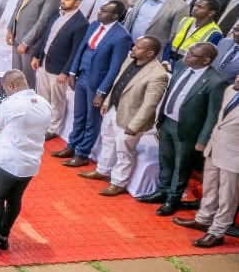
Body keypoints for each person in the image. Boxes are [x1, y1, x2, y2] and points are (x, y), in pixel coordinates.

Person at [0, 69, 52, 256]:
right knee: (14, 200)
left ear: (12, 86)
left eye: (6, 89)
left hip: (6, 161)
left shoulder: (10, 104)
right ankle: (2, 236)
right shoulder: (45, 104)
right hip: (30, 164)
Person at [141, 39, 224, 213]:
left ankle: (173, 199)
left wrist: (202, 140)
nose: (188, 56)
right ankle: (162, 191)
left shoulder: (215, 81)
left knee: (181, 166)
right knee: (165, 159)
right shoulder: (180, 65)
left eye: (194, 55)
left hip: (188, 130)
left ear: (206, 60)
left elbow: (212, 115)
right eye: (189, 52)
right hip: (167, 121)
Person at [85, 36, 169, 197]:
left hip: (131, 118)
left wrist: (135, 125)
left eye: (138, 47)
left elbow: (150, 104)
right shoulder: (130, 60)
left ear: (150, 53)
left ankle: (118, 182)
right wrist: (107, 101)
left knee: (124, 151)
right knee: (108, 140)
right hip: (113, 109)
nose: (133, 49)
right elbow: (118, 82)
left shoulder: (158, 75)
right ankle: (103, 170)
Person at [57, 0, 134, 168]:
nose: (99, 12)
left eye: (104, 11)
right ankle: (72, 145)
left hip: (97, 83)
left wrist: (102, 91)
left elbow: (115, 68)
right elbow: (81, 49)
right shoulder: (93, 25)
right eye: (101, 9)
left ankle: (82, 153)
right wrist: (72, 71)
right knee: (79, 115)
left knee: (92, 120)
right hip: (81, 76)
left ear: (114, 16)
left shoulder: (122, 37)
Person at [178, 71, 239, 247]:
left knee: (228, 196)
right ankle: (203, 219)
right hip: (215, 147)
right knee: (210, 187)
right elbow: (219, 120)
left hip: (234, 156)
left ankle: (217, 232)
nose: (237, 79)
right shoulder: (230, 90)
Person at [31, 0, 89, 142]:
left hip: (59, 69)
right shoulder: (56, 13)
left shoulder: (81, 23)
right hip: (44, 62)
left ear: (77, 3)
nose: (63, 1)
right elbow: (46, 37)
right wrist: (37, 55)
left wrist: (66, 72)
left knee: (57, 101)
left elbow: (76, 51)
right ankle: (40, 122)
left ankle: (53, 128)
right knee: (42, 97)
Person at [5, 0, 62, 82]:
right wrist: (10, 28)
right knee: (15, 74)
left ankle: (25, 101)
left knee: (26, 79)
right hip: (16, 33)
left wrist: (26, 42)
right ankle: (14, 100)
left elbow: (43, 21)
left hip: (30, 42)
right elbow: (19, 5)